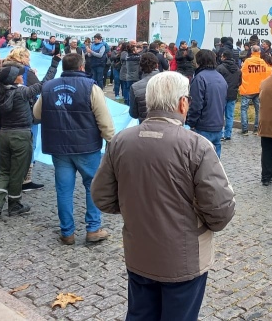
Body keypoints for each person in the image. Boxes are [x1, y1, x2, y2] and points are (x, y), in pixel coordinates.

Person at [90, 71, 235, 320]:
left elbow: (102, 196)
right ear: (182, 102)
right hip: (183, 259)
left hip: (139, 252)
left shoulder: (120, 142)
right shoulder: (197, 146)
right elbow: (221, 210)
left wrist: (133, 207)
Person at [33, 53, 115, 245]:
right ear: (82, 67)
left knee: (64, 190)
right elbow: (104, 119)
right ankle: (93, 228)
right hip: (86, 146)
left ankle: (67, 232)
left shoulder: (49, 86)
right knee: (92, 187)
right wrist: (111, 140)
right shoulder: (91, 87)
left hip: (59, 146)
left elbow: (36, 114)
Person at [0, 57, 59, 218]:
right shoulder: (22, 92)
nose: (23, 76)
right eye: (20, 74)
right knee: (18, 172)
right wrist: (54, 65)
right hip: (21, 135)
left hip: (5, 134)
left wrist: (0, 134)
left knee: (3, 171)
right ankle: (14, 204)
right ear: (15, 79)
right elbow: (44, 84)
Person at [188, 50, 228, 157]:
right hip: (218, 125)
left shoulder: (200, 78)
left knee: (200, 162)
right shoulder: (221, 78)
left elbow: (196, 104)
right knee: (215, 162)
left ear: (199, 61)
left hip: (203, 125)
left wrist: (190, 122)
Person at [239, 45, 271, 135]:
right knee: (258, 110)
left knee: (244, 109)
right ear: (259, 51)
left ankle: (245, 129)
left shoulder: (247, 61)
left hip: (247, 89)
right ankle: (256, 129)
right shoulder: (262, 62)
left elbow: (241, 72)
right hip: (259, 89)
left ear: (252, 51)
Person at [216, 49, 241, 141]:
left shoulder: (220, 68)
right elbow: (239, 82)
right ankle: (228, 134)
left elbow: (217, 81)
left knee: (220, 114)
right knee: (230, 115)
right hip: (233, 94)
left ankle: (221, 133)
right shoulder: (237, 69)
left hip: (222, 94)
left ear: (224, 57)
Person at [128, 53, 160, 123]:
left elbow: (134, 114)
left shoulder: (135, 87)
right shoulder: (169, 82)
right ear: (157, 65)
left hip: (145, 126)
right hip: (168, 128)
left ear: (141, 67)